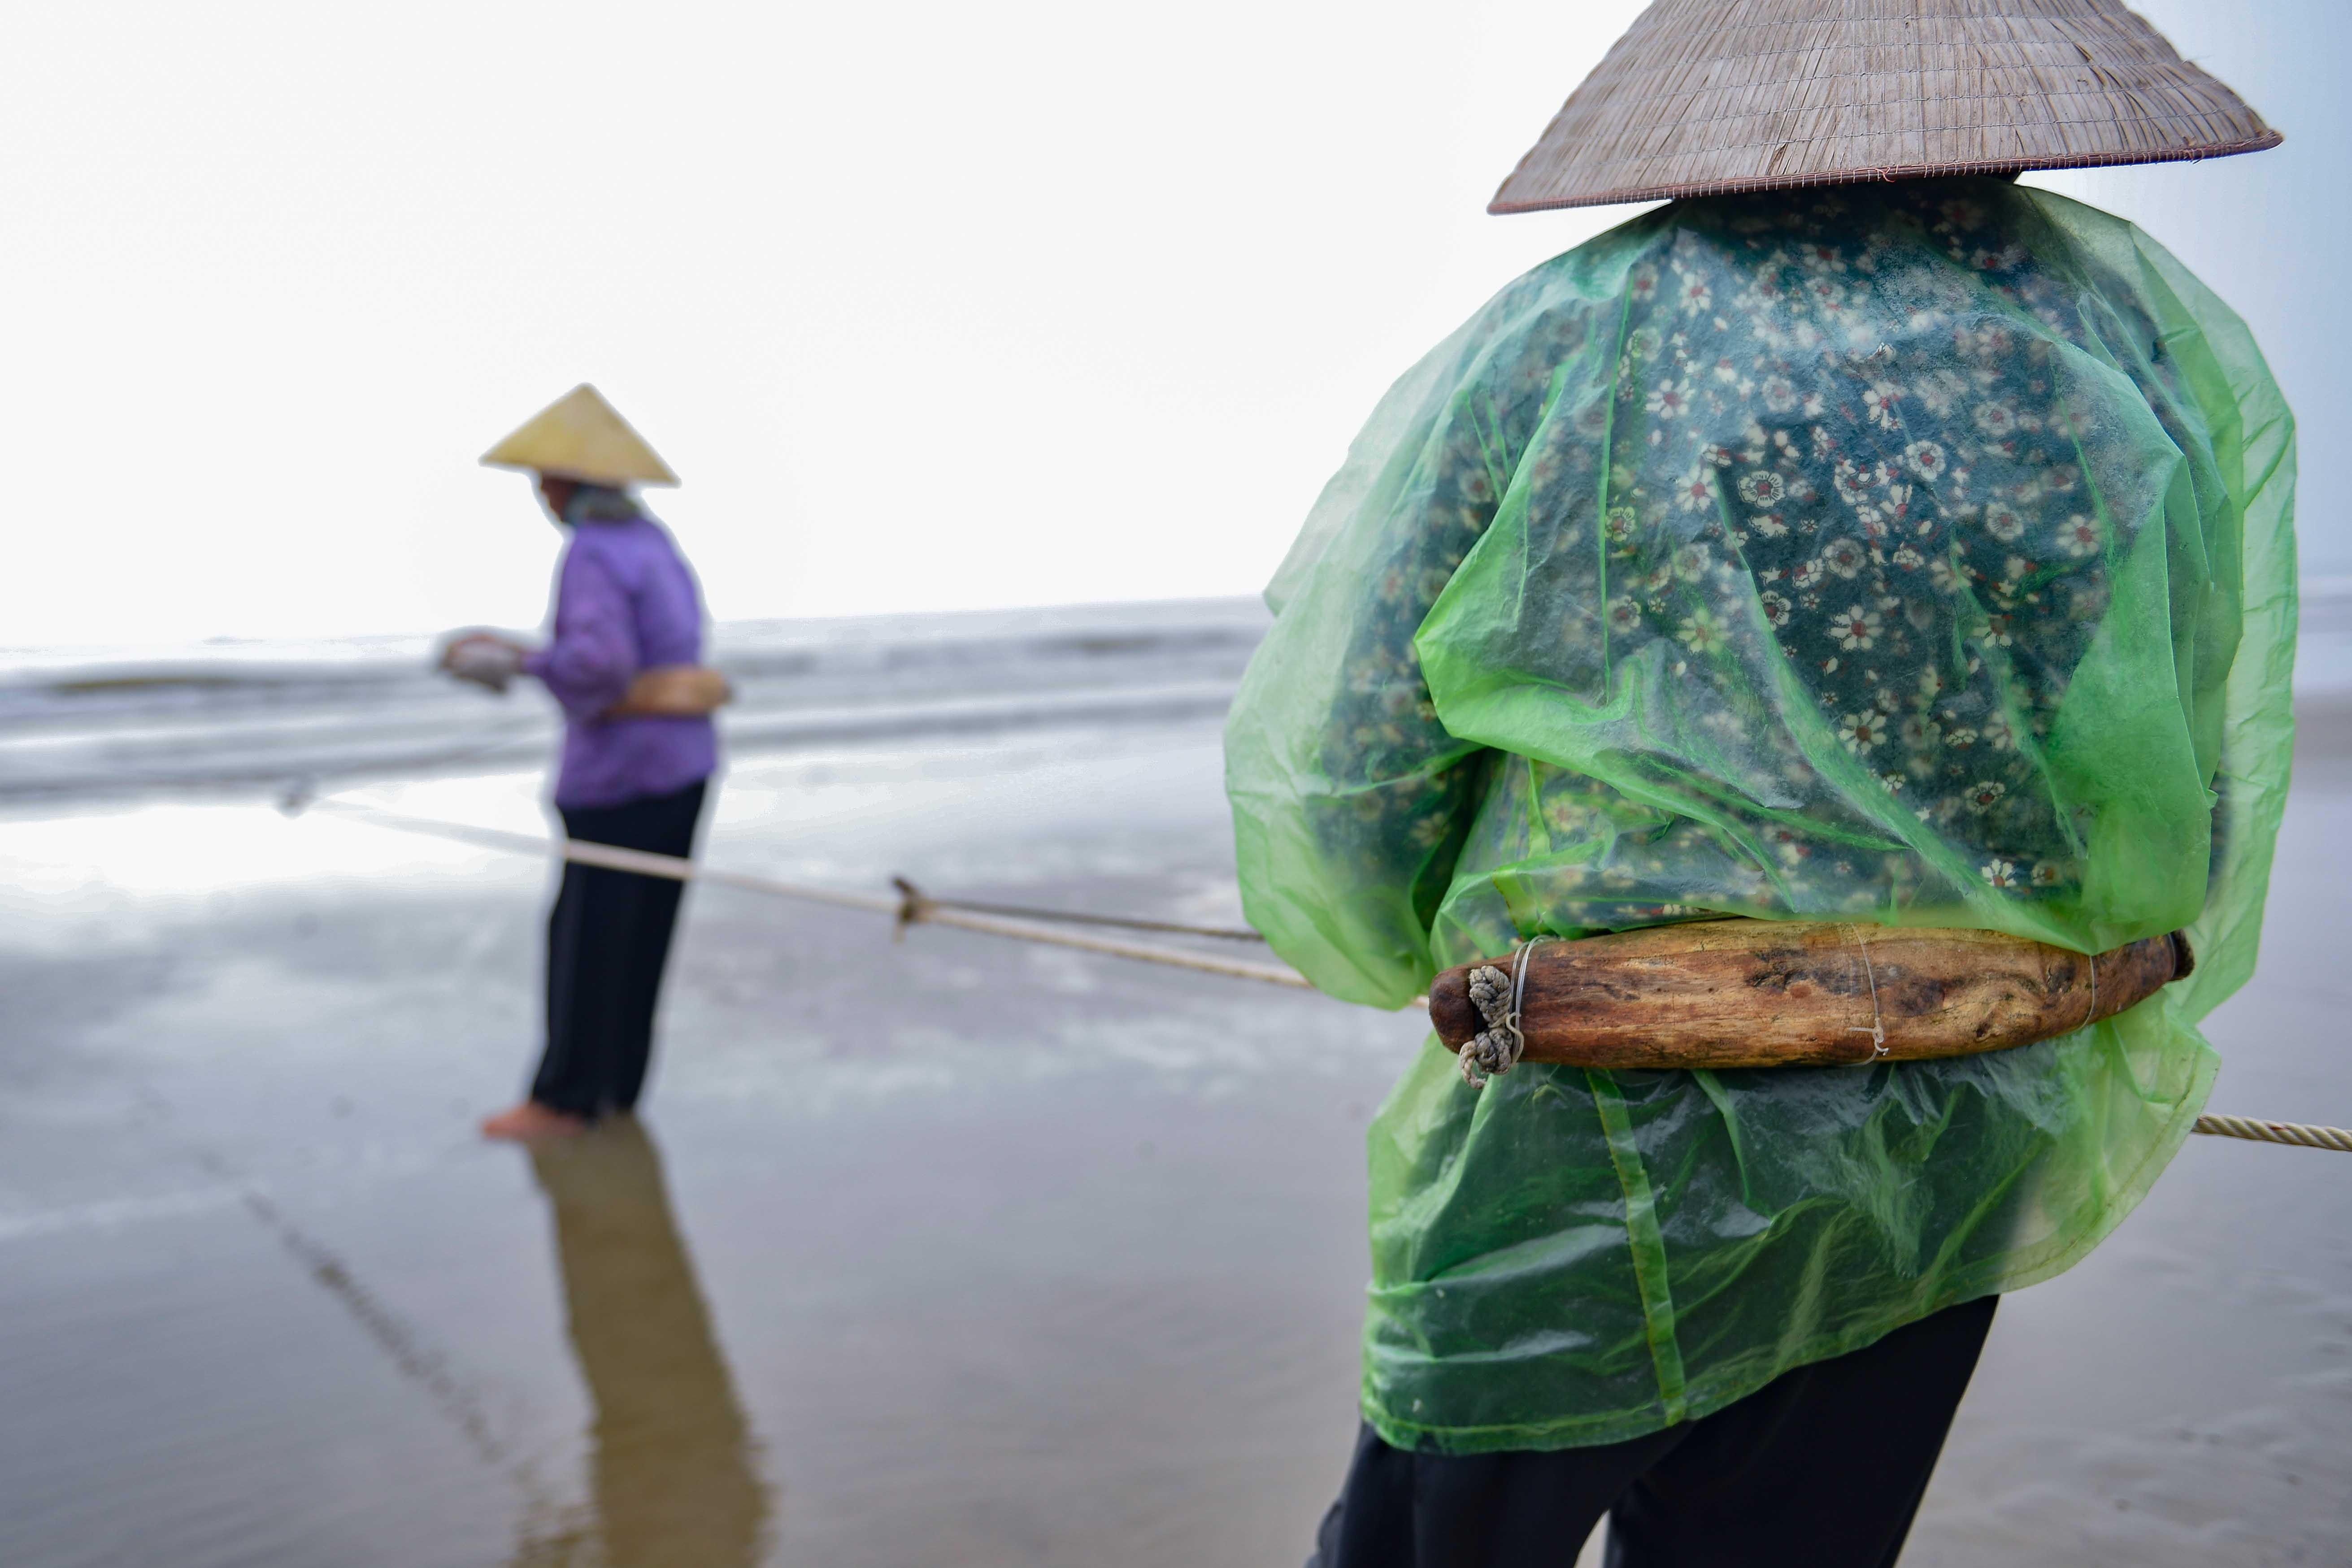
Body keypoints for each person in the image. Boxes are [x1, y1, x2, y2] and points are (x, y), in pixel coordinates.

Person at [1221, 4, 2298, 1564]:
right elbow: (2175, 747)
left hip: (1586, 1107)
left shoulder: (1572, 330)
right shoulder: (2108, 332)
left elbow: (1360, 738)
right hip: (1960, 1104)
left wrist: (1389, 941)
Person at [448, 384, 727, 1141]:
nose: (542, 493)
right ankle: (618, 1091)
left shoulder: (594, 554)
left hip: (621, 778)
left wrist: (519, 663)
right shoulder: (656, 545)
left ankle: (565, 1100)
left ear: (574, 483)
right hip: (685, 763)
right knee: (644, 939)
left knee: (588, 938)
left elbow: (598, 668)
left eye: (547, 479)